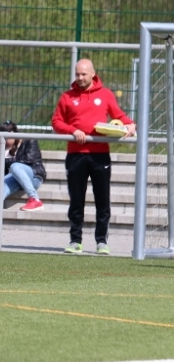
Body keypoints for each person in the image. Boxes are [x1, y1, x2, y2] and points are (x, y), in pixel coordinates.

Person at [52, 58, 135, 255]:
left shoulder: (105, 94)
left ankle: (101, 242)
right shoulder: (67, 97)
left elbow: (119, 116)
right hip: (76, 155)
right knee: (76, 200)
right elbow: (56, 122)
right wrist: (73, 130)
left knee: (102, 199)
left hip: (100, 155)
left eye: (84, 74)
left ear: (92, 74)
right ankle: (75, 241)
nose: (80, 78)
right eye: (77, 74)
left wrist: (131, 124)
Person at [0, 121, 47, 229]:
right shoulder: (3, 148)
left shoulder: (29, 140)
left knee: (15, 166)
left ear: (13, 133)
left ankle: (34, 199)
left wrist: (4, 162)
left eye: (6, 138)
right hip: (17, 179)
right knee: (3, 182)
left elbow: (28, 160)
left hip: (34, 176)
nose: (4, 141)